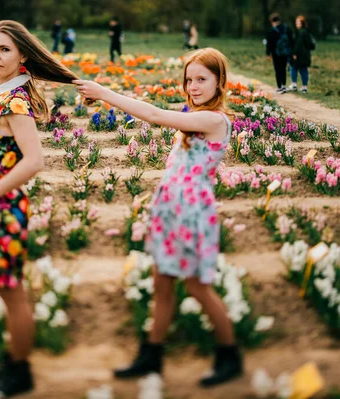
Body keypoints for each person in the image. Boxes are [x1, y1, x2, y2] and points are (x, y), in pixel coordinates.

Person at [74, 47, 243, 387]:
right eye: (189, 80)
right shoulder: (194, 116)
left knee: (197, 287)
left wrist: (105, 94)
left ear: (219, 82)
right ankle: (151, 355)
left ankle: (230, 355)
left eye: (202, 80)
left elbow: (154, 115)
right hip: (171, 207)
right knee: (162, 285)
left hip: (192, 213)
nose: (193, 87)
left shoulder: (214, 120)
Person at [0, 19, 79, 399]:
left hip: (0, 207)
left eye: (4, 50)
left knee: (13, 293)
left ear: (23, 56)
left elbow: (34, 161)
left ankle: (20, 373)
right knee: (5, 290)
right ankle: (12, 364)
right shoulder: (3, 94)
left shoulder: (14, 102)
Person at [265, 13, 293, 94]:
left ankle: (279, 87)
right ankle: (284, 85)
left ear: (272, 21)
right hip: (285, 52)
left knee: (277, 69)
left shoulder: (271, 31)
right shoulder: (286, 28)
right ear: (279, 20)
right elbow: (291, 40)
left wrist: (268, 53)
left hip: (275, 53)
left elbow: (269, 43)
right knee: (283, 68)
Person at [288, 15, 314, 93]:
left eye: (298, 22)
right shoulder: (307, 31)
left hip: (299, 55)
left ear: (302, 23)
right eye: (296, 22)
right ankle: (304, 87)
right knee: (304, 70)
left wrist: (294, 53)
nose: (296, 23)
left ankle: (294, 84)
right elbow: (310, 45)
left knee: (293, 68)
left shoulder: (300, 32)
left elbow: (298, 44)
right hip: (306, 55)